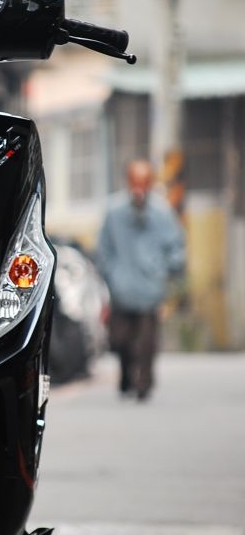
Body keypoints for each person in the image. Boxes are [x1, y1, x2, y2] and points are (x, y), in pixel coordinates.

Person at [96, 159, 185, 400]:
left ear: (151, 183)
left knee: (145, 343)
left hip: (149, 290)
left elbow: (176, 248)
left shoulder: (162, 213)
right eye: (135, 181)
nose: (139, 188)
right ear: (128, 182)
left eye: (144, 182)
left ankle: (144, 382)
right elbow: (103, 249)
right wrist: (111, 274)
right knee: (120, 340)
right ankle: (126, 372)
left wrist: (164, 269)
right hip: (121, 290)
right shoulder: (114, 212)